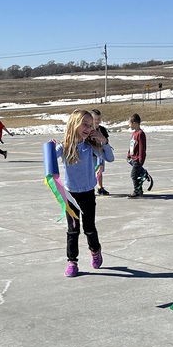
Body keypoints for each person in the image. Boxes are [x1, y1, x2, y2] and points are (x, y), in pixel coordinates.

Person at [56, 109, 113, 277]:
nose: (88, 128)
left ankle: (95, 250)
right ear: (74, 125)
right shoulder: (65, 146)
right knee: (73, 230)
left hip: (88, 192)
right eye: (85, 124)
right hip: (71, 195)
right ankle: (72, 261)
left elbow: (109, 158)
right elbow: (50, 158)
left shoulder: (90, 145)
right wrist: (51, 148)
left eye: (90, 124)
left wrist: (104, 141)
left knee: (89, 228)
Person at [126, 113, 152, 198]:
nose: (129, 125)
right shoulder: (134, 134)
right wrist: (128, 154)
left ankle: (136, 190)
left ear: (135, 123)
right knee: (136, 174)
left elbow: (142, 147)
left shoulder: (140, 134)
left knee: (133, 175)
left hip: (137, 159)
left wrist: (141, 158)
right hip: (133, 157)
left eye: (130, 123)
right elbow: (131, 145)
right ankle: (142, 174)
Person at [91, 109, 111, 195]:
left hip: (100, 154)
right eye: (95, 119)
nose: (97, 121)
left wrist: (103, 144)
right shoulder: (88, 129)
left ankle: (100, 187)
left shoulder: (102, 129)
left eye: (99, 119)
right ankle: (90, 187)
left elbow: (106, 140)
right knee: (90, 171)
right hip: (90, 154)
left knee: (99, 171)